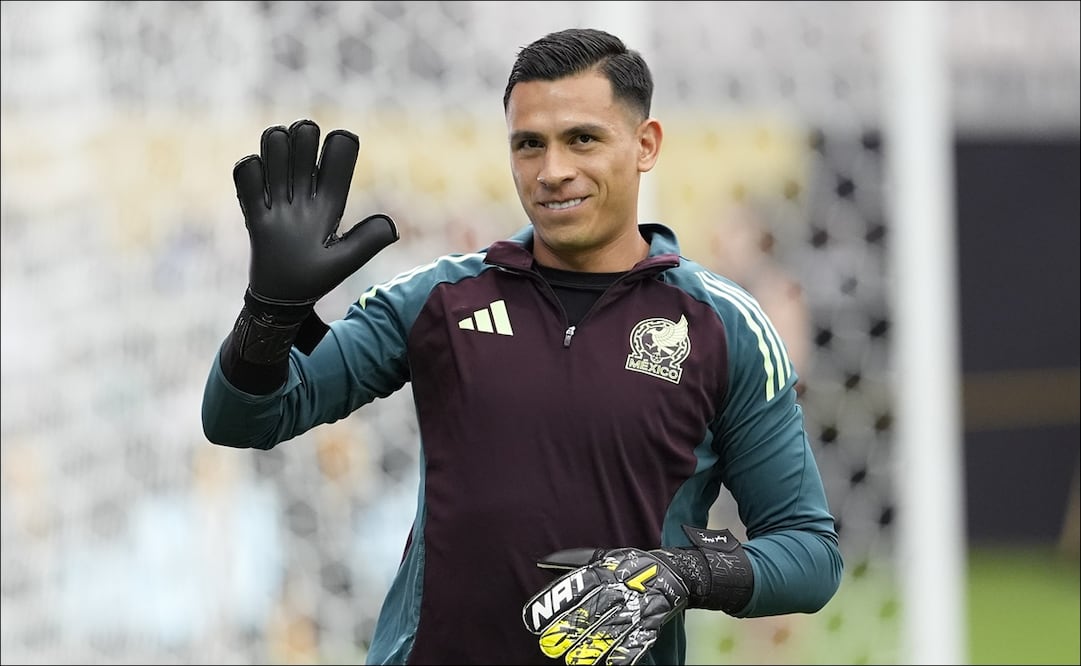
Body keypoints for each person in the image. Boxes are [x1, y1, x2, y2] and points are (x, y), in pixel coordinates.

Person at [202, 27, 843, 666]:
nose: (553, 170)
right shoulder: (439, 298)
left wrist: (683, 573)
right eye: (529, 145)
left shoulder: (722, 325)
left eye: (582, 139)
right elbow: (244, 419)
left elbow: (811, 552)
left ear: (645, 145)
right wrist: (269, 312)